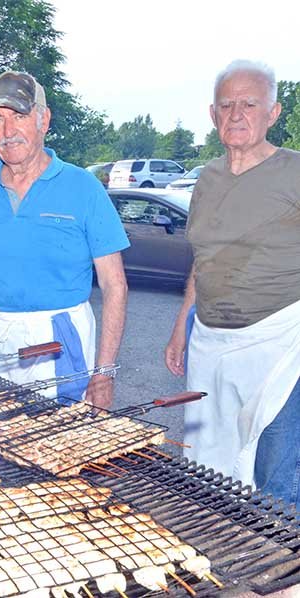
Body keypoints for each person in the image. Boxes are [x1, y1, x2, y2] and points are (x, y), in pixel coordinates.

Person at [0, 71, 129, 409]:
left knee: (57, 443)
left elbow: (115, 285)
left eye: (18, 116)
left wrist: (104, 373)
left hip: (57, 339)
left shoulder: (83, 188)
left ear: (43, 119)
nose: (7, 132)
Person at [164, 60, 300, 507]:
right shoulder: (207, 178)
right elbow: (204, 258)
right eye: (227, 105)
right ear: (212, 114)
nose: (236, 114)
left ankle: (285, 570)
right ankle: (222, 549)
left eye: (249, 104)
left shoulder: (293, 172)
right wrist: (182, 321)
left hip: (279, 342)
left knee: (275, 466)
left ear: (273, 113)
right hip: (209, 340)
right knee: (208, 462)